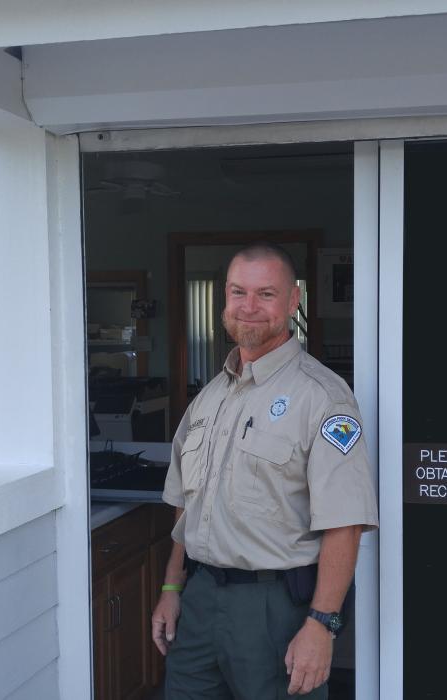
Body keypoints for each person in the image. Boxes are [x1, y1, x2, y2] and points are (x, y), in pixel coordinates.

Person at [152, 242, 378, 699]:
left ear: (293, 300)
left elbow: (345, 524)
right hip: (199, 601)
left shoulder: (323, 398)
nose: (249, 307)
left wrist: (322, 624)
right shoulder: (209, 398)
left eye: (266, 294)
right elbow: (185, 505)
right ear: (225, 300)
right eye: (238, 292)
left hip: (274, 609)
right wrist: (172, 586)